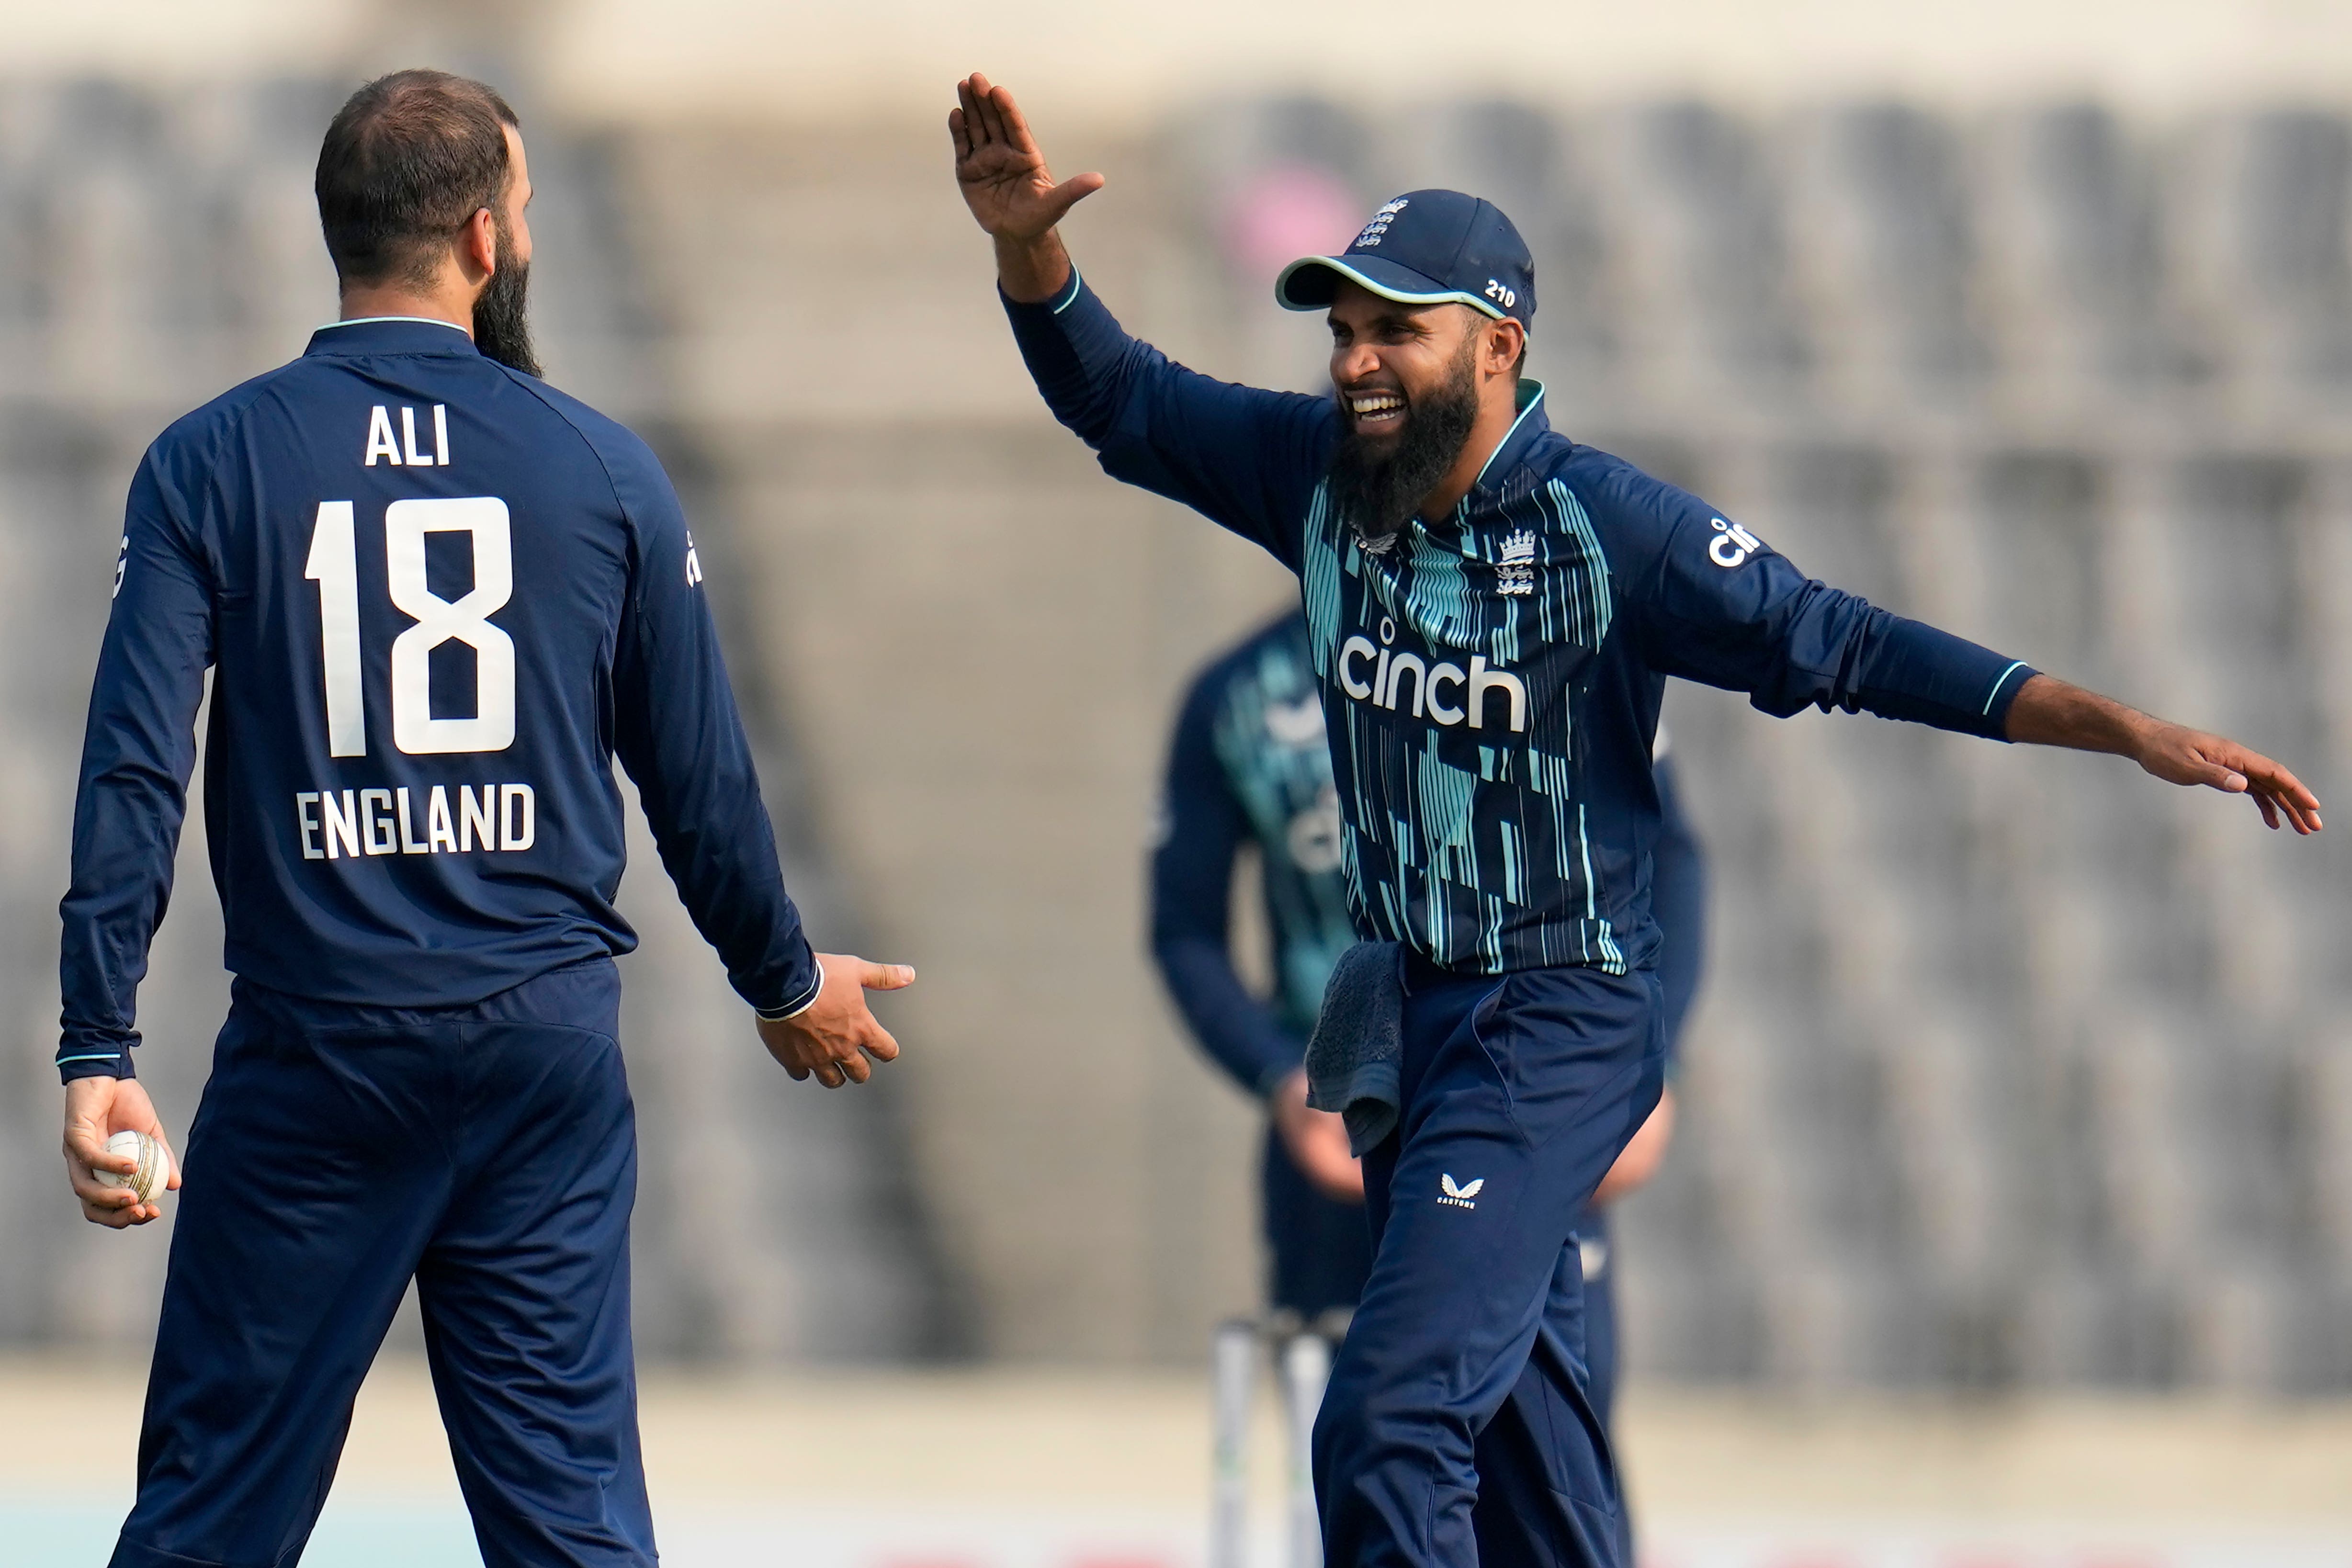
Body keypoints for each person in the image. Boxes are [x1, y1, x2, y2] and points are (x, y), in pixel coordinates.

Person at [949, 72, 2320, 1568]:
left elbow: (1849, 641)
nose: (1354, 363)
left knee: (1388, 1418)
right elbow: (1119, 398)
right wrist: (1030, 251)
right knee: (1536, 1481)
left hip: (1554, 1019)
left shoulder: (1615, 532)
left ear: (1499, 343)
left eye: (1394, 329)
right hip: (1407, 1015)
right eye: (1340, 330)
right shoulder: (1317, 477)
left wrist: (2122, 728)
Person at [57, 70, 910, 1568]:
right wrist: (782, 977)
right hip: (539, 1059)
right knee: (572, 1522)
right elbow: (697, 776)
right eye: (519, 210)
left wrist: (98, 1045)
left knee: (208, 1517)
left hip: (318, 1052)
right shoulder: (600, 463)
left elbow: (136, 766)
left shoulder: (211, 459)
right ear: (481, 234)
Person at [1151, 609, 1708, 1434]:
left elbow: (1670, 859)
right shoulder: (1240, 696)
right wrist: (1282, 1081)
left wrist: (1650, 1062)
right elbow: (1185, 931)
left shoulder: (1553, 646)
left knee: (1556, 1459)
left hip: (1531, 1097)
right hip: (1345, 1130)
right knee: (1366, 1460)